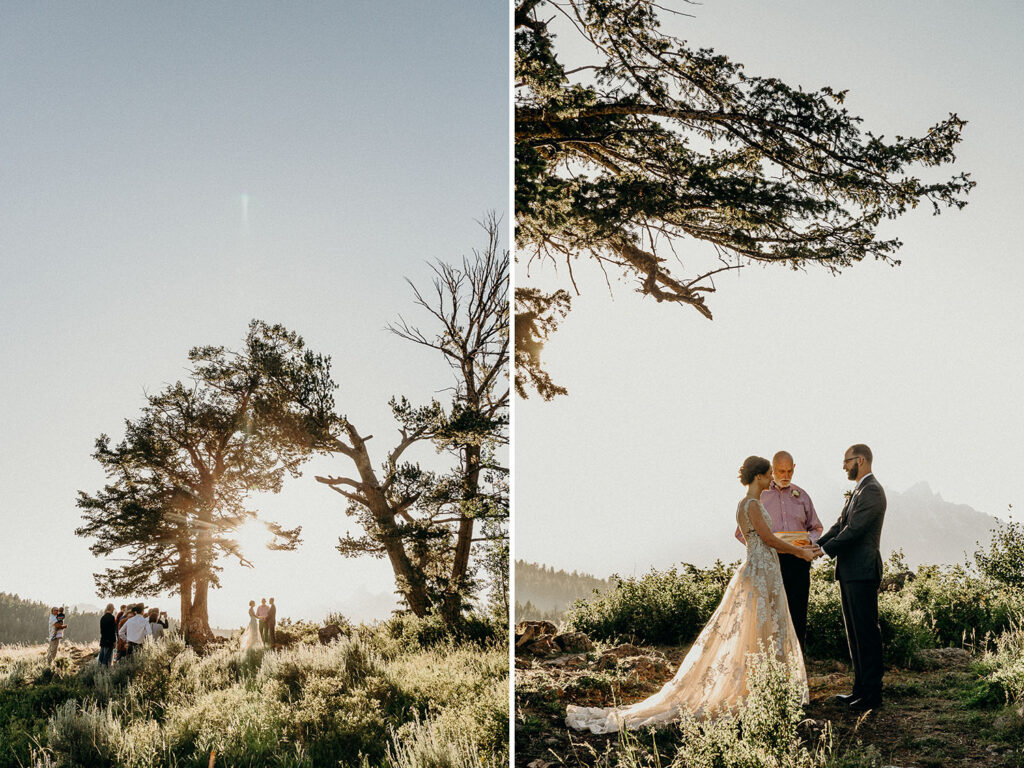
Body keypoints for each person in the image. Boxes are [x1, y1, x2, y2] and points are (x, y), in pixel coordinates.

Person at [566, 456, 819, 733]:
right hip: (761, 570)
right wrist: (801, 551)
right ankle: (760, 691)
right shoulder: (752, 504)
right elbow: (769, 540)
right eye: (769, 473)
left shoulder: (746, 504)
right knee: (758, 630)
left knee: (759, 632)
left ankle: (764, 688)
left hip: (762, 569)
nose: (772, 478)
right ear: (758, 476)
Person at [818, 444, 886, 712]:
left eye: (846, 461)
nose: (844, 466)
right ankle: (860, 690)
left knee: (867, 634)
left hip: (863, 572)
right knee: (855, 635)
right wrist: (815, 545)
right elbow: (839, 525)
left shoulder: (872, 491)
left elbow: (855, 530)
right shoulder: (858, 490)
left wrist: (823, 550)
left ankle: (872, 695)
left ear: (860, 460)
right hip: (849, 572)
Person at [735, 450, 822, 650]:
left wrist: (808, 543)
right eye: (780, 471)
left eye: (789, 471)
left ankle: (797, 661)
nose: (785, 475)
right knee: (770, 614)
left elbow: (816, 528)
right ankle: (773, 661)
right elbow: (743, 533)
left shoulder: (803, 496)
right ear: (771, 471)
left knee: (797, 613)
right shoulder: (758, 498)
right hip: (771, 562)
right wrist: (762, 551)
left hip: (799, 562)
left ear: (794, 469)